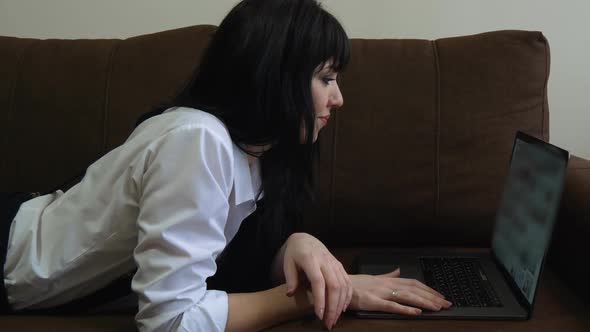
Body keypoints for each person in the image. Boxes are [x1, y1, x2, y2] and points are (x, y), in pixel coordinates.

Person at [0, 0, 451, 331]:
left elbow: (231, 258)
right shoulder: (197, 141)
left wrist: (298, 243)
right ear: (276, 76)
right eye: (326, 79)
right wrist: (303, 300)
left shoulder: (256, 149)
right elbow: (172, 322)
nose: (338, 99)